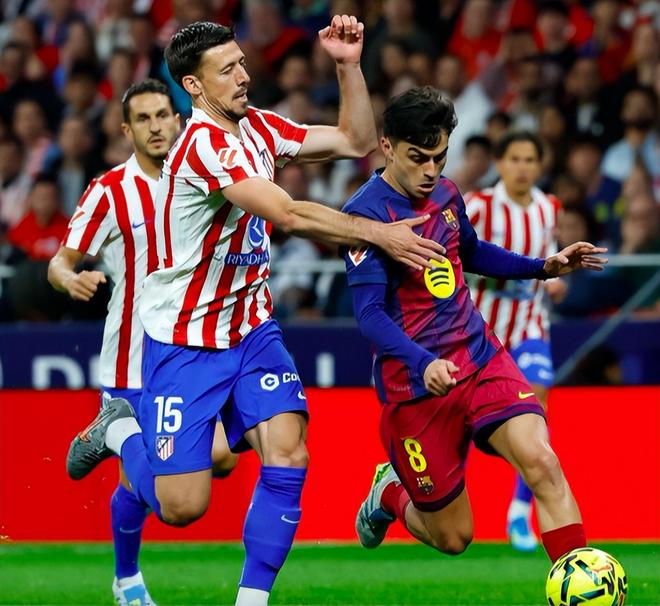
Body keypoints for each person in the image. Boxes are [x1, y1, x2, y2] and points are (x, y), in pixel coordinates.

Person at [65, 17, 444, 606]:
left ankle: (252, 600)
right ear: (194, 86)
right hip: (186, 339)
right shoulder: (201, 147)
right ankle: (117, 429)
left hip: (252, 330)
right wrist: (379, 234)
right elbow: (287, 213)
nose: (244, 75)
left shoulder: (260, 128)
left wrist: (347, 65)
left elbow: (355, 140)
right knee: (182, 507)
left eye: (241, 61)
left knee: (290, 453)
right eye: (228, 69)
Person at [343, 87, 607, 573]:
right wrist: (423, 363)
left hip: (480, 357)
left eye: (439, 157)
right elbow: (370, 315)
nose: (431, 170)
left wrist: (542, 267)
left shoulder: (446, 193)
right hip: (415, 388)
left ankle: (581, 586)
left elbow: (471, 251)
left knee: (542, 461)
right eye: (418, 158)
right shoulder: (365, 216)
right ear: (387, 146)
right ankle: (390, 494)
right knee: (454, 537)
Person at [48, 80, 238, 606]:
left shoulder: (205, 178)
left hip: (189, 354)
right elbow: (60, 262)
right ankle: (127, 580)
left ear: (178, 120)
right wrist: (71, 279)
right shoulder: (110, 190)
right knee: (156, 488)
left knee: (221, 459)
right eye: (143, 119)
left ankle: (114, 432)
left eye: (162, 115)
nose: (156, 126)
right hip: (132, 361)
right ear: (127, 130)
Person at [464, 131, 563, 551]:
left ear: (540, 165)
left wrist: (554, 282)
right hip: (478, 329)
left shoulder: (549, 207)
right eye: (515, 159)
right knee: (458, 416)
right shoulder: (478, 205)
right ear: (500, 163)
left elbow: (548, 252)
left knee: (538, 396)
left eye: (530, 159)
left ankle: (520, 511)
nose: (522, 167)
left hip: (528, 327)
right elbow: (451, 251)